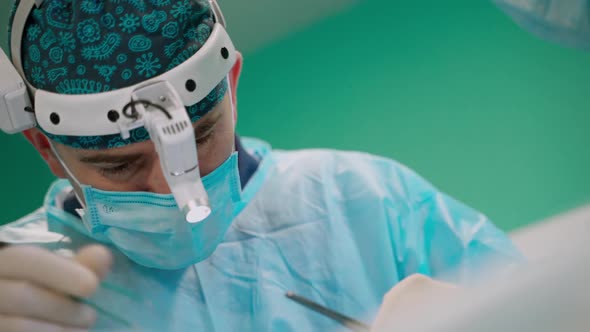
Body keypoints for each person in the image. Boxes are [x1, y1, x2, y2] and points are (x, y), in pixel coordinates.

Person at [0, 0, 521, 331]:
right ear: (46, 148)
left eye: (200, 136)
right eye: (119, 167)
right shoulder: (16, 283)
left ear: (231, 84)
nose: (178, 197)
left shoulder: (367, 202)